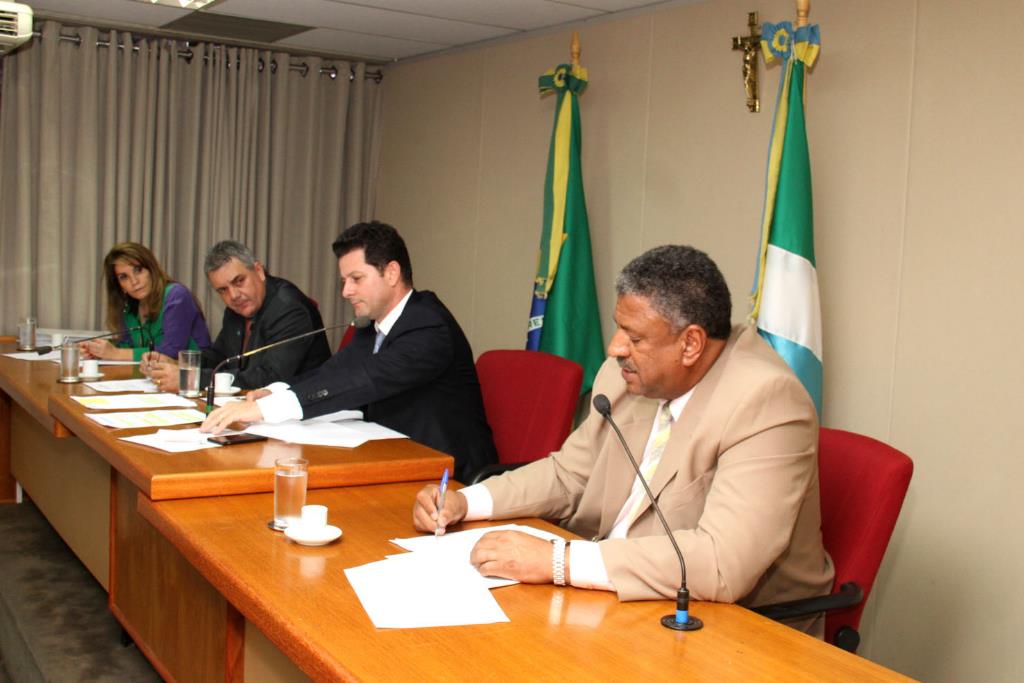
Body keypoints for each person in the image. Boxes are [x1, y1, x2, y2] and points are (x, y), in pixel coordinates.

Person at [412, 245, 834, 635]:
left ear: (691, 343)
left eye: (634, 338)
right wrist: (466, 502)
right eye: (619, 328)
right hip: (616, 600)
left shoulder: (766, 400)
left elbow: (723, 562)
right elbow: (568, 475)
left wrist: (557, 561)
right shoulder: (630, 375)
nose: (615, 348)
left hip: (735, 629)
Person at [201, 221, 497, 483]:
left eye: (356, 279)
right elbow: (334, 371)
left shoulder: (428, 325)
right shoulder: (373, 324)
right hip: (392, 458)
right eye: (344, 281)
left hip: (448, 475)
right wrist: (277, 391)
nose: (346, 292)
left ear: (391, 273)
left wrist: (266, 410)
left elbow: (365, 379)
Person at [147, 241, 330, 391]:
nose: (233, 295)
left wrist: (192, 378)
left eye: (239, 281)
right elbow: (219, 357)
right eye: (223, 290)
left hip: (306, 412)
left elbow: (269, 378)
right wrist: (178, 363)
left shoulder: (289, 309)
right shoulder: (237, 309)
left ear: (258, 271)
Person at [82, 242, 211, 362]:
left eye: (138, 270)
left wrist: (116, 353)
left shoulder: (176, 296)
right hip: (150, 375)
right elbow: (126, 346)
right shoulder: (129, 308)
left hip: (193, 374)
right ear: (120, 286)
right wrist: (98, 351)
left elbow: (171, 352)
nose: (134, 281)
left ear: (151, 270)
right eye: (124, 277)